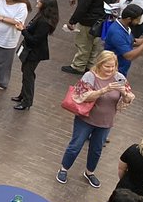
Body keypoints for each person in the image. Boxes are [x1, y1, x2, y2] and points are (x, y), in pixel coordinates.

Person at [58, 50, 135, 190]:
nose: (110, 69)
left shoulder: (119, 77)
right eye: (107, 66)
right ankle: (64, 169)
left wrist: (125, 93)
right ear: (100, 64)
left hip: (106, 121)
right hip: (86, 119)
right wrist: (104, 90)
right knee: (76, 145)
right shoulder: (90, 76)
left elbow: (129, 98)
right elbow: (82, 96)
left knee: (97, 149)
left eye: (113, 66)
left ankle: (90, 172)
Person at [64, 0, 120, 74]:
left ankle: (78, 66)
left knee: (83, 44)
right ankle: (90, 65)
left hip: (88, 20)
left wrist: (73, 20)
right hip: (103, 19)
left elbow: (83, 5)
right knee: (95, 45)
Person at [13, 0, 58, 110]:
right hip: (32, 51)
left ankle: (27, 101)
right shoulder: (41, 16)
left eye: (40, 1)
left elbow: (35, 40)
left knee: (28, 75)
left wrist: (23, 30)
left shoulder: (44, 22)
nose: (37, 1)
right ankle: (23, 95)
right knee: (25, 72)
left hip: (34, 52)